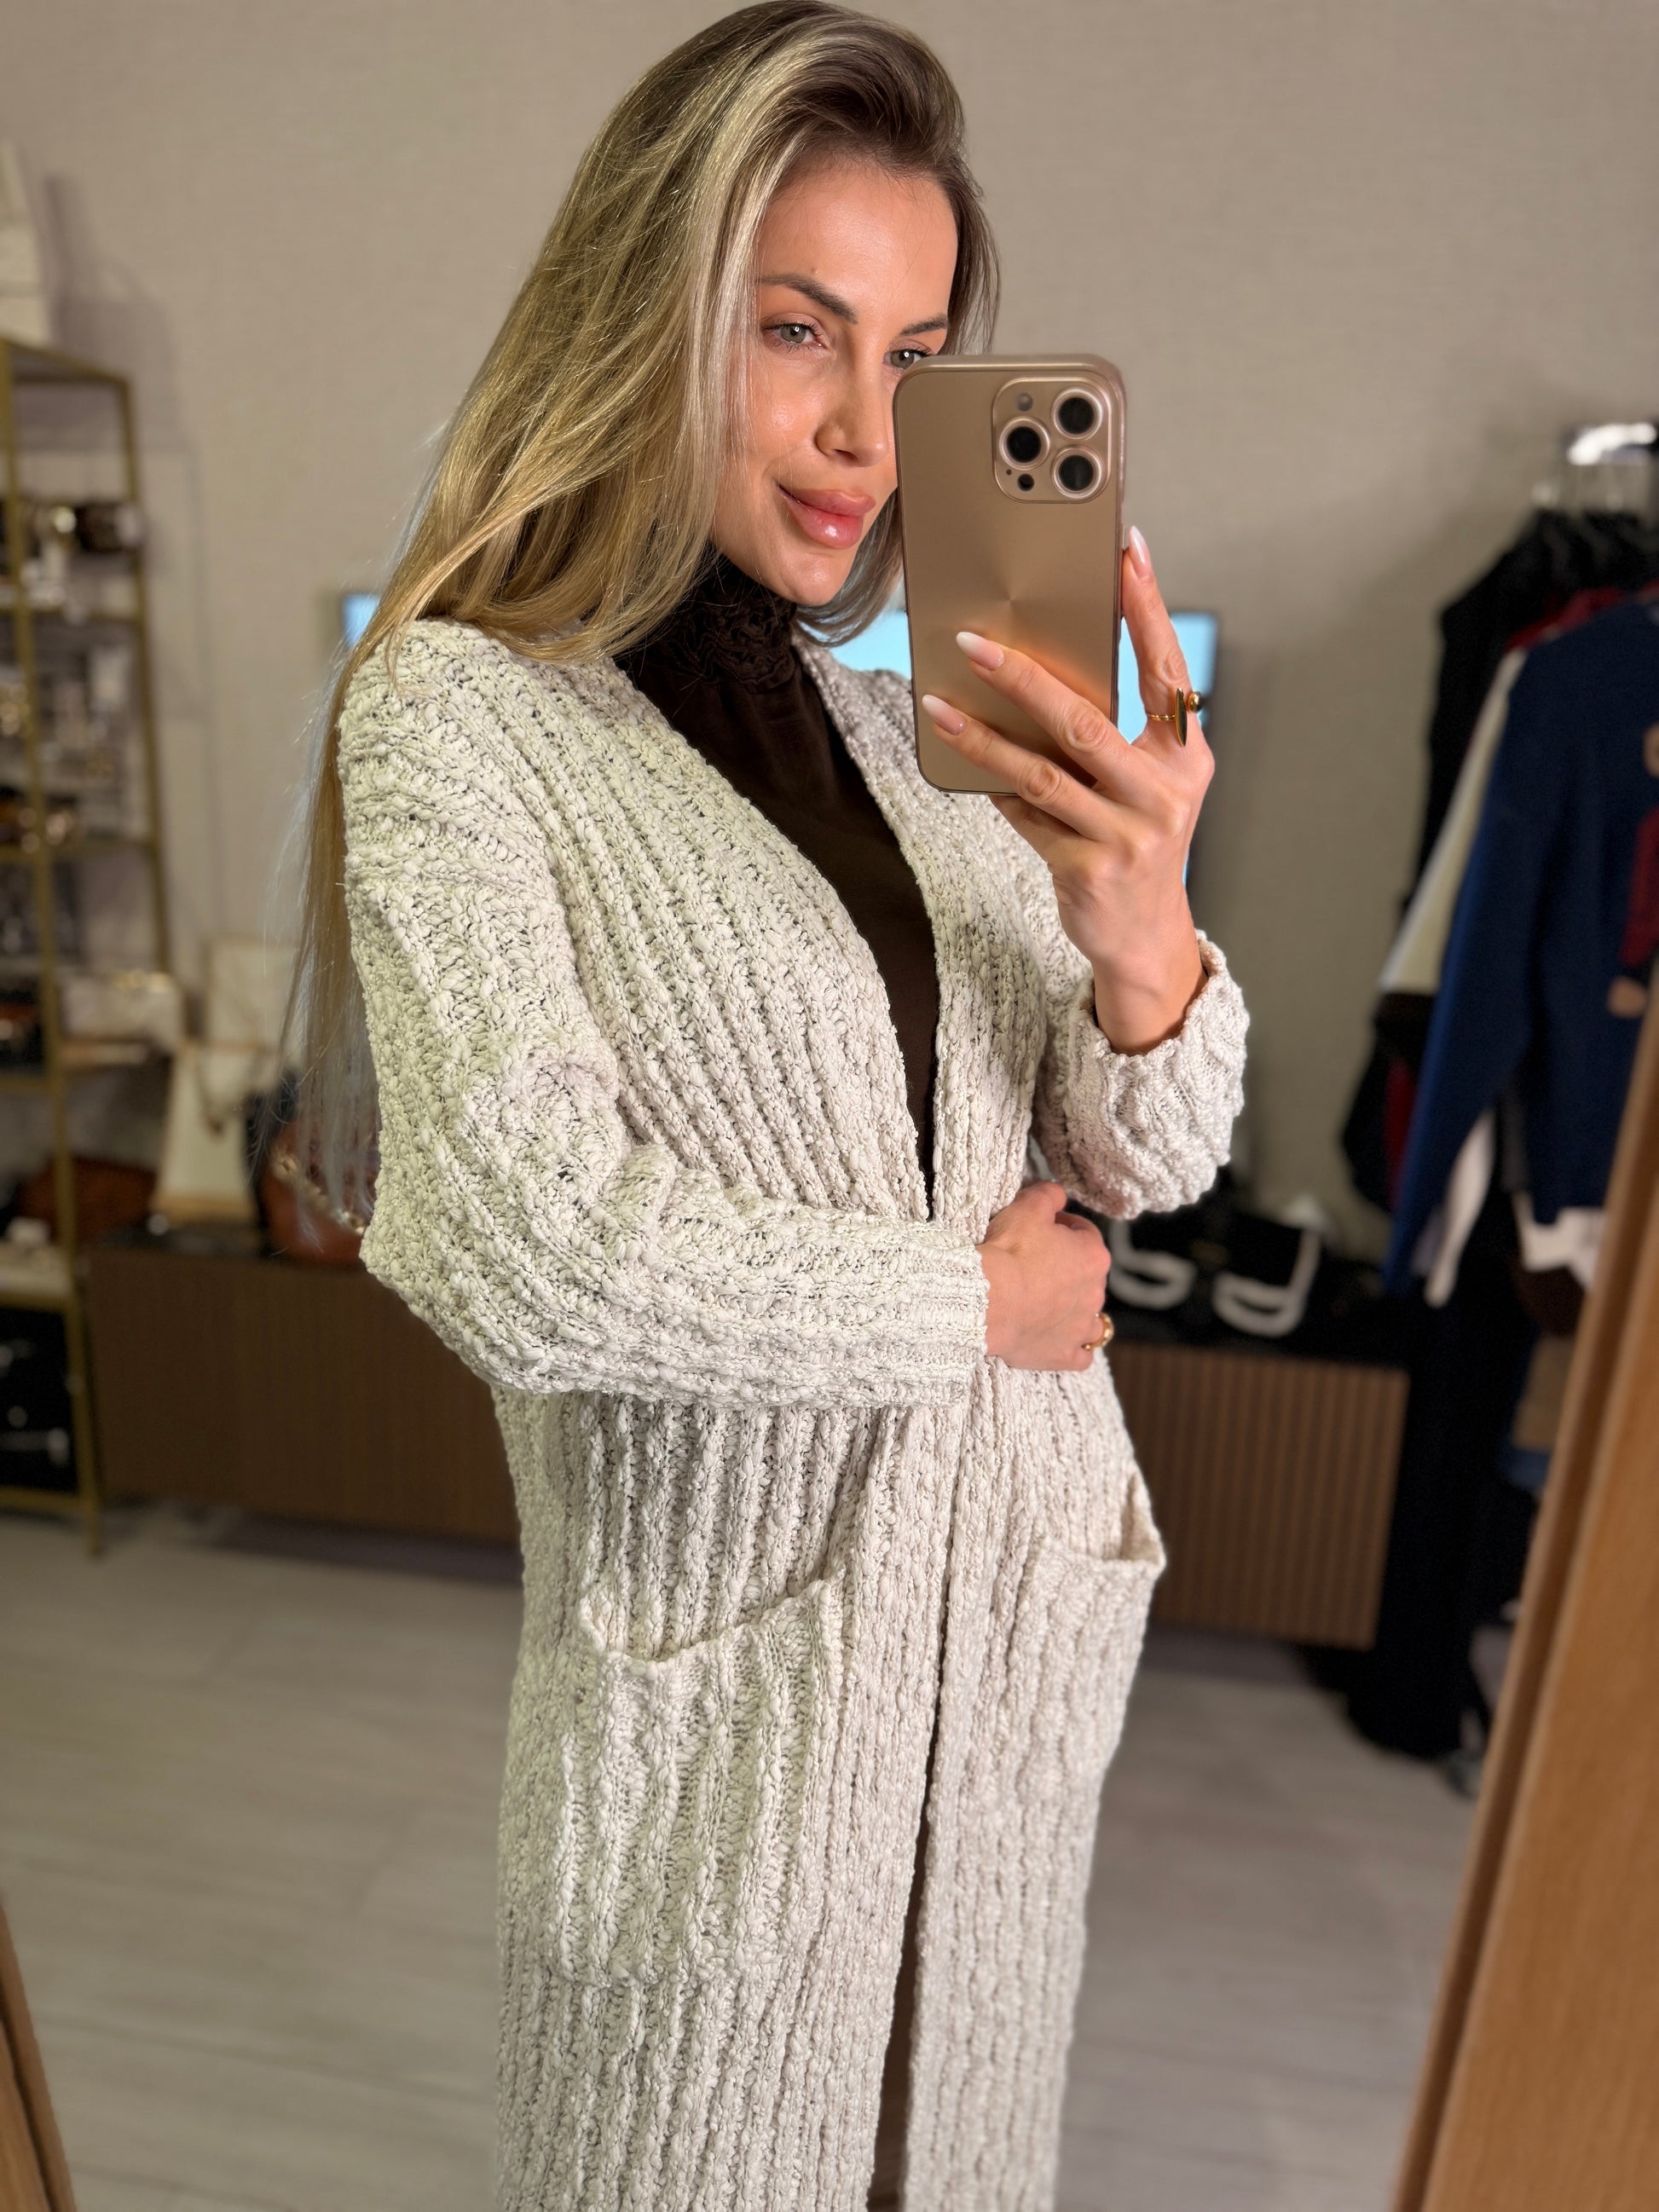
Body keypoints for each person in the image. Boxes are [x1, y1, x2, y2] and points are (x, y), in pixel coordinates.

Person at [288, 6, 1246, 2206]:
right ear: (647, 314)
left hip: (993, 1689)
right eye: (793, 328)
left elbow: (1154, 1157)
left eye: (915, 356)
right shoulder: (462, 713)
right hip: (732, 1737)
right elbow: (516, 1242)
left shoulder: (920, 740)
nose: (861, 433)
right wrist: (967, 1310)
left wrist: (1142, 930)